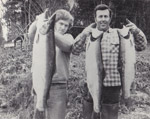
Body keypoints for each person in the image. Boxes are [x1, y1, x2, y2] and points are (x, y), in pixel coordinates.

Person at [72, 4, 147, 119]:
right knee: (90, 115)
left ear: (110, 18)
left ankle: (125, 99)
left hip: (113, 85)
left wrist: (136, 30)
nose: (103, 19)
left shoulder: (119, 34)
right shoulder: (88, 35)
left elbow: (142, 46)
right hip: (92, 83)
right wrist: (83, 34)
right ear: (95, 18)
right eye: (100, 16)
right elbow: (75, 50)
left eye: (105, 16)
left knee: (110, 116)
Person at [28, 9, 74, 119]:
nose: (63, 27)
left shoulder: (68, 38)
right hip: (39, 83)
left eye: (66, 25)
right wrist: (37, 22)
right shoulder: (42, 35)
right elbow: (30, 34)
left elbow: (68, 45)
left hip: (58, 87)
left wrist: (49, 29)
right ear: (55, 23)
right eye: (60, 24)